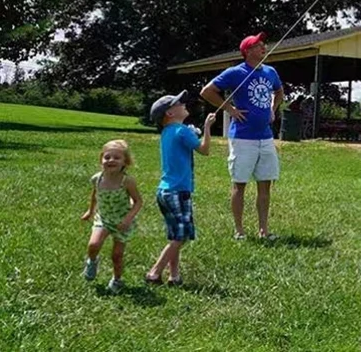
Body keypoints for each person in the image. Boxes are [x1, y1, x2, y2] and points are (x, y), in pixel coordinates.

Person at [200, 31, 284, 240]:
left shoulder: (270, 72)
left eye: (264, 44)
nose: (263, 47)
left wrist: (273, 108)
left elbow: (279, 92)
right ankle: (239, 231)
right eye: (258, 45)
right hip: (242, 138)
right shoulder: (236, 72)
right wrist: (230, 108)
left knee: (265, 183)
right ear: (247, 51)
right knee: (240, 183)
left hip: (265, 138)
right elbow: (207, 91)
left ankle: (263, 230)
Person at [145, 91, 216, 286]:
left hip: (164, 191)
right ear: (169, 113)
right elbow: (205, 150)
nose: (184, 104)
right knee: (181, 236)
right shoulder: (182, 131)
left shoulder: (168, 132)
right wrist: (208, 128)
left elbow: (184, 140)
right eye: (179, 103)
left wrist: (192, 132)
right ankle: (155, 271)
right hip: (178, 191)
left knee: (174, 234)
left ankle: (174, 276)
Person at [81, 139, 143, 294]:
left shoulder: (127, 181)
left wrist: (128, 219)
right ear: (101, 159)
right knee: (93, 245)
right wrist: (90, 211)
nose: (111, 160)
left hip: (122, 222)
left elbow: (138, 202)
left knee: (116, 255)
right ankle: (92, 262)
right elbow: (95, 195)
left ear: (125, 162)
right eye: (107, 157)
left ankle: (117, 280)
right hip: (104, 218)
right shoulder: (98, 178)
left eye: (116, 157)